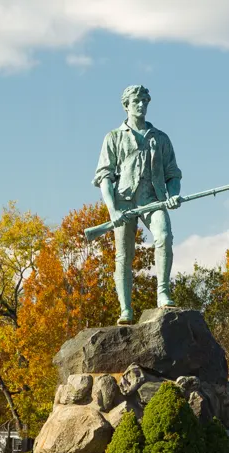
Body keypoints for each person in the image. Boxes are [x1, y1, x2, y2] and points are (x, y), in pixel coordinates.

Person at [93, 84, 183, 324]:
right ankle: (126, 309)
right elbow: (105, 177)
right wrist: (113, 210)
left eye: (145, 101)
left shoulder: (160, 138)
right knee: (124, 255)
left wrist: (173, 194)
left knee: (164, 235)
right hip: (124, 202)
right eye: (136, 101)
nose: (142, 105)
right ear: (126, 106)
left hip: (153, 198)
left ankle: (163, 293)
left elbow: (173, 174)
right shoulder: (113, 137)